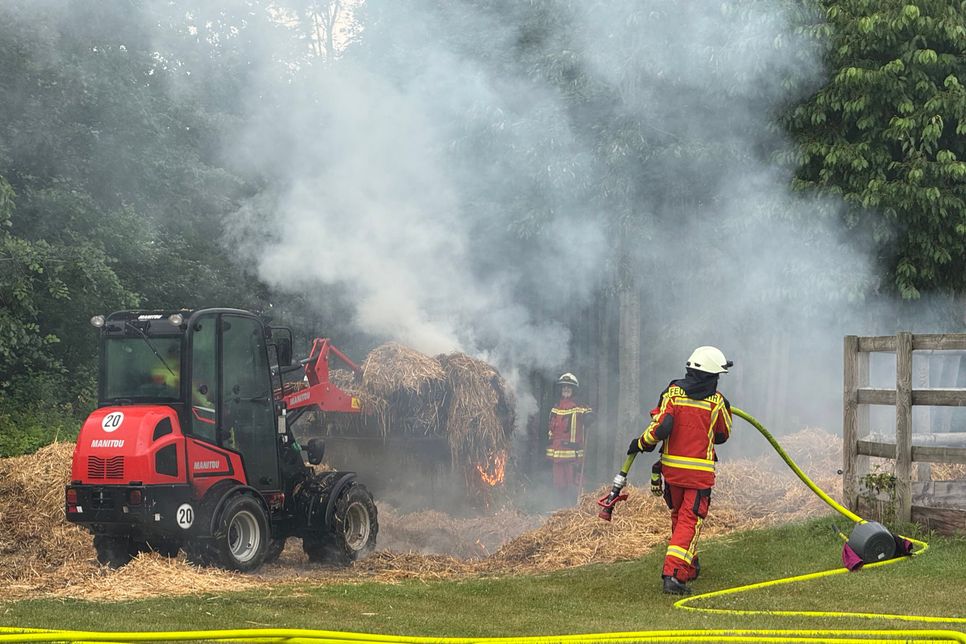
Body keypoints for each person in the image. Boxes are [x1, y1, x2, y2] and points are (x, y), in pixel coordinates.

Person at [627, 346, 733, 595]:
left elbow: (660, 427)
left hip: (672, 472)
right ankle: (674, 576)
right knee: (689, 522)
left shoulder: (672, 394)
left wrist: (640, 443)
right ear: (711, 375)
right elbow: (722, 435)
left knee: (679, 518)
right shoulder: (717, 402)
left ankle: (688, 565)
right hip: (699, 477)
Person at [546, 372, 593, 504]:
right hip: (557, 457)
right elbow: (551, 432)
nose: (566, 389)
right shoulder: (555, 408)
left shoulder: (579, 407)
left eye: (569, 387)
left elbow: (588, 413)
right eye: (564, 387)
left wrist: (589, 417)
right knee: (559, 486)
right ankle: (561, 510)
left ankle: (575, 511)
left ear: (574, 390)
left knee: (575, 486)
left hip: (573, 457)